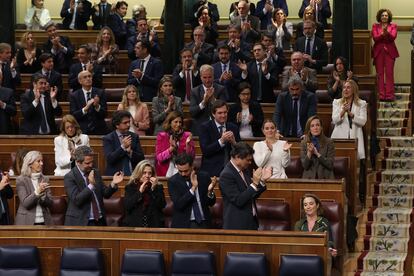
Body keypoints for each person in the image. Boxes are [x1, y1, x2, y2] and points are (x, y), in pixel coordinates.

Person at [64, 146, 123, 226]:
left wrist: (113, 183)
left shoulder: (95, 172)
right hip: (81, 222)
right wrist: (91, 185)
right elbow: (77, 200)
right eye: (87, 163)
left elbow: (105, 194)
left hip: (99, 220)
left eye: (92, 162)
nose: (91, 165)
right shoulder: (70, 177)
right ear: (78, 162)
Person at [220, 142, 271, 230]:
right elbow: (239, 200)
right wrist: (254, 184)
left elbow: (251, 195)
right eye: (248, 160)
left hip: (251, 222)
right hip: (237, 226)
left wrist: (261, 181)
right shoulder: (226, 175)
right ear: (237, 157)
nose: (250, 163)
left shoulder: (244, 170)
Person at [167, 153, 217, 228]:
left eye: (186, 171)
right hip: (184, 224)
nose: (183, 174)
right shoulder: (173, 181)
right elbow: (179, 204)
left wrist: (210, 192)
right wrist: (193, 188)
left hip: (204, 222)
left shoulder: (204, 177)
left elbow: (211, 203)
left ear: (192, 167)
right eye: (180, 171)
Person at [199, 100, 240, 177]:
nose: (223, 115)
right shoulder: (205, 127)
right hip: (211, 170)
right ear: (213, 114)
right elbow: (205, 150)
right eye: (220, 113)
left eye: (225, 112)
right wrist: (221, 141)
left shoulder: (233, 127)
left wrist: (234, 143)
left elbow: (241, 151)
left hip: (231, 170)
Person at [331, 80, 367, 160]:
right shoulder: (337, 102)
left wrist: (350, 114)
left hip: (355, 135)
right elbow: (334, 120)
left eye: (348, 87)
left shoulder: (362, 103)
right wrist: (343, 112)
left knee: (353, 162)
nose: (345, 90)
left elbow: (363, 121)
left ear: (354, 90)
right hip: (339, 136)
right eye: (344, 87)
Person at [123, 160, 166, 227]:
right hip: (135, 224)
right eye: (144, 173)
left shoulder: (158, 187)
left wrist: (153, 189)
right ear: (138, 173)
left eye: (150, 173)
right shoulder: (130, 187)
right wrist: (139, 192)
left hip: (154, 224)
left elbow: (162, 205)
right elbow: (127, 206)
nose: (147, 175)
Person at [15, 151, 53, 225]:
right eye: (38, 161)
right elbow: (26, 203)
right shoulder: (21, 180)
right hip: (26, 222)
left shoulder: (45, 179)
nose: (41, 164)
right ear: (30, 164)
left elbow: (50, 203)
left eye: (42, 161)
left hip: (44, 221)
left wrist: (43, 196)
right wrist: (37, 192)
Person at [102, 110, 145, 176]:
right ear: (117, 125)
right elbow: (110, 159)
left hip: (133, 176)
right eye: (125, 123)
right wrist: (123, 147)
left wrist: (130, 152)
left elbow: (141, 158)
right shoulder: (108, 138)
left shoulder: (134, 136)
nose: (128, 125)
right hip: (115, 176)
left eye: (129, 122)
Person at [189, 64, 228, 135]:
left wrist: (213, 100)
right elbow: (192, 112)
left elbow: (224, 109)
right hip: (200, 127)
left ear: (213, 76)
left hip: (217, 126)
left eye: (209, 77)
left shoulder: (221, 89)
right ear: (200, 77)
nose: (207, 80)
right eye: (204, 77)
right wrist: (203, 102)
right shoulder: (194, 91)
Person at [155, 111, 195, 177]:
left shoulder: (187, 135)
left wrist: (188, 145)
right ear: (170, 123)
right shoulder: (162, 136)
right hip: (166, 169)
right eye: (176, 122)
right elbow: (159, 158)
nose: (178, 124)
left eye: (180, 122)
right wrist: (171, 149)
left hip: (182, 170)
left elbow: (191, 157)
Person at [371, 8, 399, 101]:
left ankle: (390, 95)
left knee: (389, 73)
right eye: (382, 15)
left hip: (390, 52)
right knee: (380, 74)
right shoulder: (375, 26)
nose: (384, 17)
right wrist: (383, 34)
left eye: (386, 15)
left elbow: (393, 37)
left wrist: (387, 33)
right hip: (378, 52)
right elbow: (375, 38)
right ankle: (381, 95)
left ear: (389, 17)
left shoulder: (393, 26)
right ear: (380, 16)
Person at [70, 70, 109, 135]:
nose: (88, 78)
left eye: (89, 76)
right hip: (81, 130)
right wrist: (85, 108)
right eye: (85, 77)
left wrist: (97, 106)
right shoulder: (74, 95)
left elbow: (105, 114)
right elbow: (73, 115)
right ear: (80, 81)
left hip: (99, 130)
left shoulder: (101, 92)